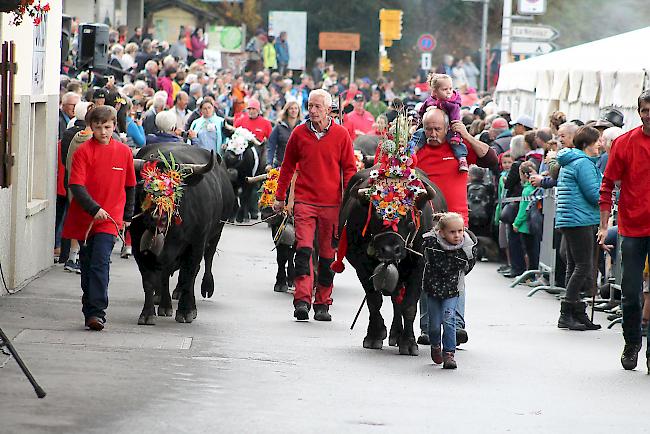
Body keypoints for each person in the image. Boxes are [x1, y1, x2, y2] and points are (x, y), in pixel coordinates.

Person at [413, 107, 498, 345]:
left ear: (447, 127)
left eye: (437, 129)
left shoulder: (457, 146)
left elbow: (490, 159)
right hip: (427, 223)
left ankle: (456, 325)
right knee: (425, 272)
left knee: (457, 273)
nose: (432, 133)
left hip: (457, 225)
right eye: (427, 128)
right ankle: (428, 327)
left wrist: (468, 135)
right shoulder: (417, 148)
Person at [272, 89, 357, 322]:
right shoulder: (299, 133)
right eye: (310, 106)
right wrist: (280, 197)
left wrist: (349, 201)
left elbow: (349, 169)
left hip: (332, 205)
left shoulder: (341, 135)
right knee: (303, 250)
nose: (312, 111)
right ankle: (301, 300)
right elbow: (287, 166)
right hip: (305, 202)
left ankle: (322, 303)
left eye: (318, 106)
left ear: (329, 110)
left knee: (328, 256)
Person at [61, 106, 136, 331]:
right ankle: (89, 308)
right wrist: (94, 209)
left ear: (114, 126)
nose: (103, 132)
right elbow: (76, 185)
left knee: (100, 262)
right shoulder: (84, 151)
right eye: (98, 127)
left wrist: (127, 216)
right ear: (91, 127)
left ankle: (97, 312)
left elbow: (130, 186)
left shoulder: (124, 152)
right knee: (87, 264)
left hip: (109, 219)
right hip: (85, 217)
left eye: (107, 127)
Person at [598, 90, 650, 371]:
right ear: (639, 111)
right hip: (632, 227)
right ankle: (632, 343)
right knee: (630, 292)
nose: (649, 114)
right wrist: (604, 226)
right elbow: (606, 186)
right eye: (645, 109)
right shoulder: (624, 142)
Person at [554, 126, 603, 331]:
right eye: (597, 141)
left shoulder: (572, 161)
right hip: (580, 219)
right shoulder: (583, 163)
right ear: (587, 144)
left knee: (574, 266)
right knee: (583, 266)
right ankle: (567, 313)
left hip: (570, 218)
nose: (600, 144)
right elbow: (594, 195)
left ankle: (575, 311)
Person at [422, 212, 477, 369]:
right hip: (433, 289)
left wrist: (463, 267)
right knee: (433, 324)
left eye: (460, 231)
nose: (457, 235)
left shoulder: (467, 247)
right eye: (452, 232)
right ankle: (435, 346)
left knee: (449, 320)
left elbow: (469, 264)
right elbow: (435, 262)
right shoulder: (431, 244)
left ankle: (449, 354)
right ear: (442, 232)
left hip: (452, 291)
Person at [418, 73, 468, 172]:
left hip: (449, 129)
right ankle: (411, 153)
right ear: (435, 92)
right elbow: (421, 112)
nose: (449, 92)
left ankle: (462, 159)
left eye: (450, 88)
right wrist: (419, 124)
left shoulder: (452, 104)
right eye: (445, 89)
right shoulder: (429, 101)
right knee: (418, 135)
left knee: (457, 144)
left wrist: (456, 135)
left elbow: (455, 120)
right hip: (428, 127)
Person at [512, 161, 541, 275]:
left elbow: (523, 209)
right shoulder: (536, 189)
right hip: (535, 224)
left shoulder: (527, 190)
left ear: (524, 175)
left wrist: (516, 223)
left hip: (526, 226)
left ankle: (531, 273)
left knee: (529, 251)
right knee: (534, 250)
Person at [267, 100, 301, 168]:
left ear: (298, 111)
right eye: (291, 108)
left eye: (296, 108)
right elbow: (271, 145)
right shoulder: (279, 127)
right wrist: (269, 163)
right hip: (280, 165)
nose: (293, 110)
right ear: (287, 111)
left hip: (298, 166)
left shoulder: (302, 127)